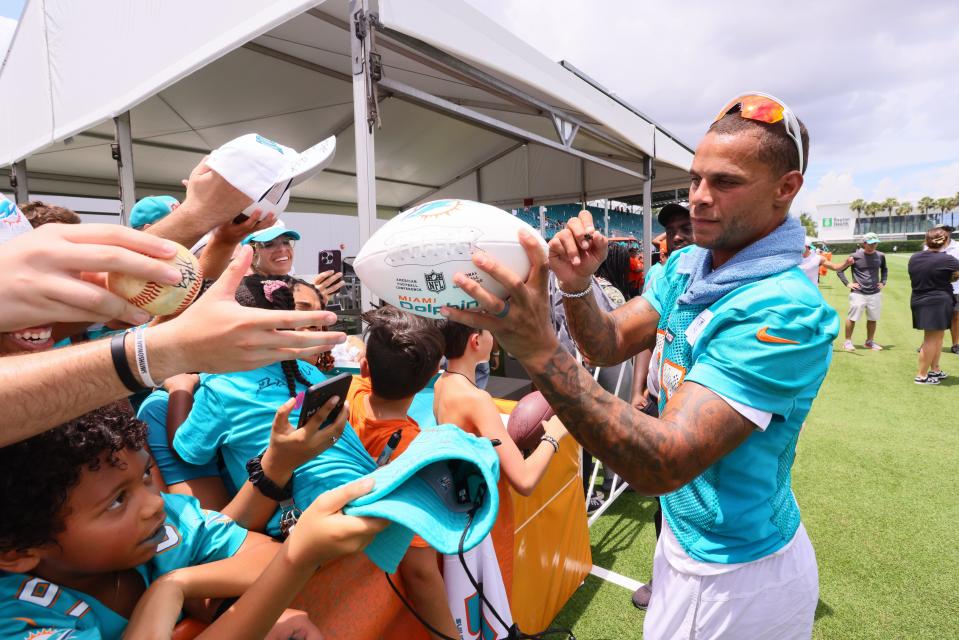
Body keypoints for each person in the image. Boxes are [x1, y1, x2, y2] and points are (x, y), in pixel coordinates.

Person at [443, 92, 836, 639]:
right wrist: (577, 287)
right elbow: (607, 344)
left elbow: (663, 464)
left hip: (734, 571)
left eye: (724, 183)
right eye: (696, 178)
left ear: (785, 189)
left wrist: (538, 349)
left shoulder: (784, 310)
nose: (698, 197)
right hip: (686, 542)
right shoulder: (690, 264)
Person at [0, 402, 386, 639]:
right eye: (117, 501)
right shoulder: (18, 619)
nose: (152, 504)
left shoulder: (164, 524)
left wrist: (177, 585)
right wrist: (297, 558)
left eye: (146, 476)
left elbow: (262, 555)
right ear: (18, 552)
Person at [434, 320, 569, 601]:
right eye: (487, 330)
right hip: (485, 520)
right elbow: (525, 480)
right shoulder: (476, 399)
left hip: (461, 508)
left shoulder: (441, 384)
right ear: (475, 341)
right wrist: (553, 437)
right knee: (491, 601)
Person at [347, 305, 457, 640]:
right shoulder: (414, 453)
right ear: (434, 373)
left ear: (365, 367)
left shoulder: (352, 392)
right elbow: (420, 570)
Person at [628, 201, 692, 609]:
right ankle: (663, 575)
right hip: (660, 398)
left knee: (690, 497)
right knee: (662, 500)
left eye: (688, 227)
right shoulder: (660, 274)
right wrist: (638, 389)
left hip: (696, 409)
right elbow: (641, 338)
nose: (679, 235)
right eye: (672, 230)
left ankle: (679, 582)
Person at [908, 228, 959, 384]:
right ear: (945, 242)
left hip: (918, 300)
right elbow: (955, 275)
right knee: (931, 339)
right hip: (938, 302)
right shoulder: (948, 260)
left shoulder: (914, 257)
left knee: (937, 337)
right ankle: (922, 375)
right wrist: (949, 278)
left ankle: (935, 370)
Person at [245, 226, 345, 305]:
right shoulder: (246, 290)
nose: (283, 249)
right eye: (268, 244)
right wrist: (307, 301)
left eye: (286, 242)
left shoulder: (301, 284)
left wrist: (319, 304)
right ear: (252, 253)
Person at [836, 232, 888, 351]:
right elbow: (840, 270)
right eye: (871, 243)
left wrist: (883, 281)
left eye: (875, 243)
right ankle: (848, 342)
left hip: (875, 293)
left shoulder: (880, 256)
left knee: (873, 318)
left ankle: (869, 342)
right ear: (864, 243)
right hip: (858, 293)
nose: (873, 245)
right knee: (852, 317)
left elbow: (884, 269)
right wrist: (848, 283)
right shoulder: (854, 256)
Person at [934, 224, 959, 354]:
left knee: (956, 317)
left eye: (947, 231)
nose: (944, 233)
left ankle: (956, 344)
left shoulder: (958, 246)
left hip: (956, 288)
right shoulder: (929, 246)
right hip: (936, 288)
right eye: (941, 230)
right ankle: (928, 344)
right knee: (936, 318)